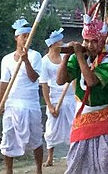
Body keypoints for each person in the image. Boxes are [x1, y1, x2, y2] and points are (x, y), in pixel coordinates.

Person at [57, 14, 108, 174]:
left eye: (94, 41)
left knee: (103, 160)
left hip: (105, 116)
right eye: (87, 41)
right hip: (83, 117)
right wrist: (66, 57)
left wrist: (78, 55)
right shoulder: (79, 56)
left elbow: (91, 81)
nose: (90, 45)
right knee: (76, 159)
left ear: (103, 41)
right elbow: (60, 80)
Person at [0, 18, 43, 174]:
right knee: (8, 138)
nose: (26, 38)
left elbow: (34, 77)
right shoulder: (7, 59)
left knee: (36, 138)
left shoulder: (35, 56)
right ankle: (9, 170)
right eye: (23, 36)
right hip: (12, 104)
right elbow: (3, 84)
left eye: (29, 35)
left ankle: (39, 169)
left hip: (30, 104)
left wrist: (26, 60)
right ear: (16, 38)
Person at [39, 28, 76, 167]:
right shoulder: (44, 62)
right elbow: (44, 84)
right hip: (55, 97)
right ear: (53, 44)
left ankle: (72, 155)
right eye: (59, 42)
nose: (62, 44)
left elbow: (72, 78)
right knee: (51, 129)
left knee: (73, 125)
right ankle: (50, 157)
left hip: (70, 96)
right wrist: (49, 104)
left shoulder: (67, 58)